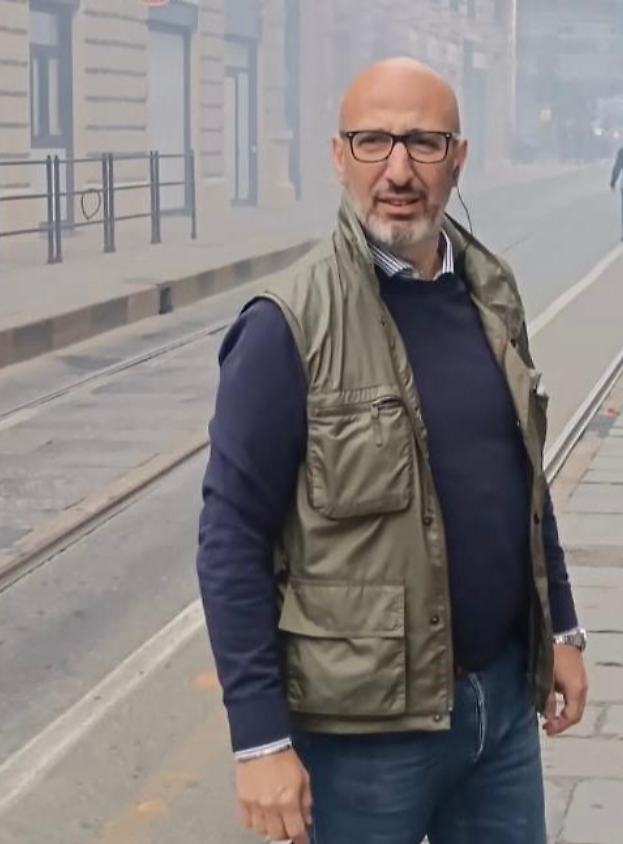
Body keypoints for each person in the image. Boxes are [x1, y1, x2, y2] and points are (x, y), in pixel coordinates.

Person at [196, 58, 588, 844]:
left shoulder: (491, 291)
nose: (399, 170)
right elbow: (230, 539)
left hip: (501, 711)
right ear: (340, 156)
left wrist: (562, 631)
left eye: (424, 143)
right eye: (373, 142)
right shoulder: (287, 325)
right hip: (361, 743)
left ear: (459, 158)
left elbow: (522, 483)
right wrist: (261, 740)